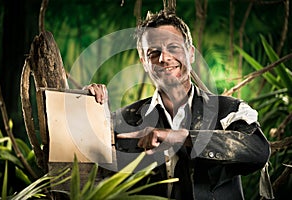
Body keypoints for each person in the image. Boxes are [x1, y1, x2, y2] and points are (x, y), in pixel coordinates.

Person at [86, 10, 271, 200]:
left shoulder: (229, 109)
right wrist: (86, 104)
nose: (164, 58)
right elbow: (93, 178)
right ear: (144, 62)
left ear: (190, 54)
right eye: (154, 52)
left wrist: (182, 137)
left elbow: (258, 150)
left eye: (173, 48)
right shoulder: (122, 120)